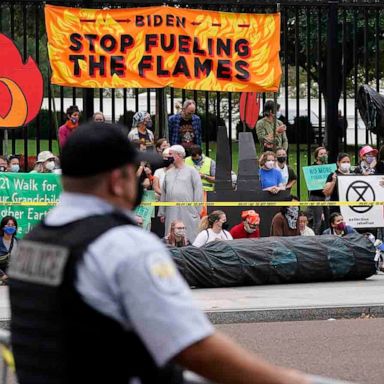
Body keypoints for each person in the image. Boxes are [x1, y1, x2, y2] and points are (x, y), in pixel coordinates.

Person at [8, 122, 309, 384]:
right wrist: (285, 380)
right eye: (136, 171)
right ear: (117, 180)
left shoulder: (34, 241)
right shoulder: (122, 245)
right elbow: (191, 345)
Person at [158, 145, 203, 243]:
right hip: (171, 211)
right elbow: (164, 193)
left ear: (179, 155)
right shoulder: (168, 173)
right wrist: (162, 212)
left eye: (171, 154)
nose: (168, 157)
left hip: (188, 211)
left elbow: (198, 191)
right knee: (171, 236)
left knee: (189, 236)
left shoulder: (192, 171)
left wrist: (196, 211)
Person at [308, 146, 329, 235]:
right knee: (317, 221)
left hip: (327, 197)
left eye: (325, 153)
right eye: (321, 154)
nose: (323, 155)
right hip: (316, 197)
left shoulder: (329, 168)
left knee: (328, 220)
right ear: (317, 156)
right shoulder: (313, 168)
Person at [0, 216, 17, 284]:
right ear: (3, 227)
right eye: (8, 224)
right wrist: (2, 275)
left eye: (12, 225)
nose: (10, 227)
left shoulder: (18, 242)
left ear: (15, 228)